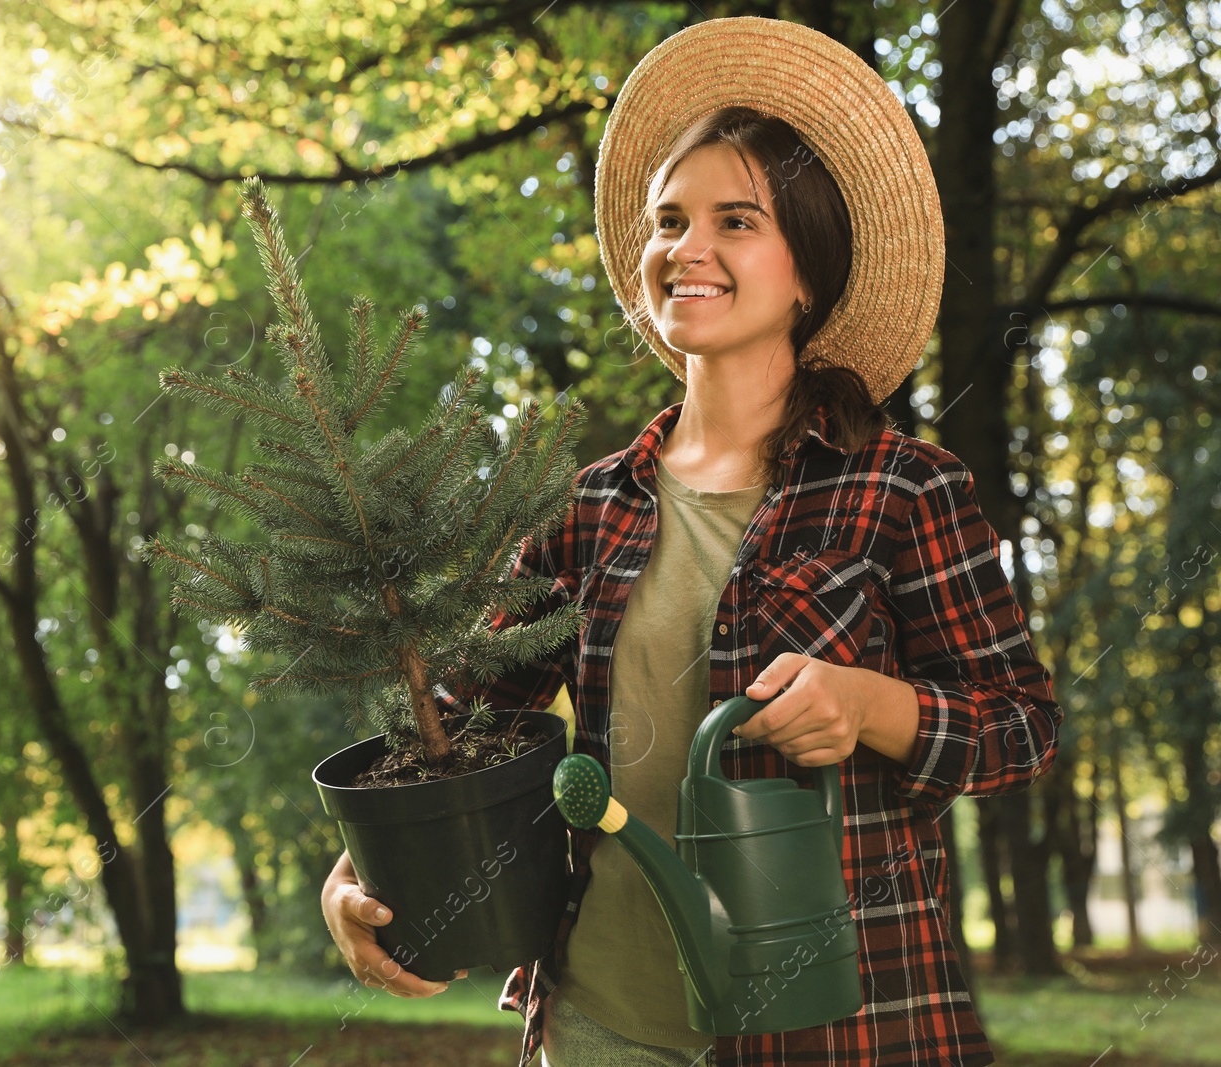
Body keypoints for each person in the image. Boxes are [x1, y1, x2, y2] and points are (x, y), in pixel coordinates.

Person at [321, 17, 1062, 1067]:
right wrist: (353, 871)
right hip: (601, 1021)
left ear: (807, 272)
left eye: (735, 219)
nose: (688, 248)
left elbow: (1020, 728)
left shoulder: (903, 487)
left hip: (837, 1029)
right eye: (667, 220)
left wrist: (870, 704)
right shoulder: (586, 508)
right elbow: (452, 725)